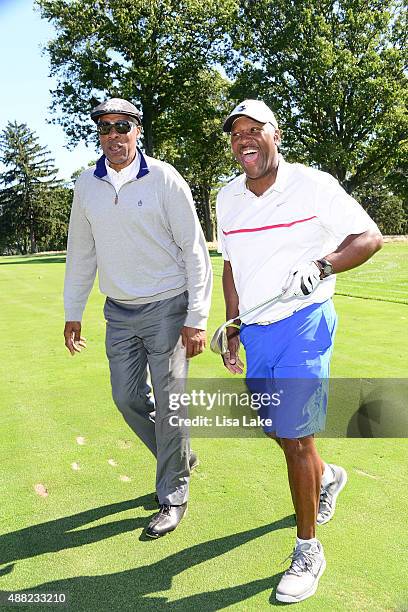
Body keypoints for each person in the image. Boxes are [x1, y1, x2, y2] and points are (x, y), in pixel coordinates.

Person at [216, 99, 383, 603]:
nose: (244, 138)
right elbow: (231, 266)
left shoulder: (313, 185)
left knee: (295, 436)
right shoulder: (227, 198)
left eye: (254, 129)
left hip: (305, 324)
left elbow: (369, 237)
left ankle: (308, 549)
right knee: (276, 429)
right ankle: (328, 476)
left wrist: (324, 265)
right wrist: (233, 323)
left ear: (276, 134)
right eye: (236, 132)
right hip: (258, 328)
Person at [64, 98, 212, 538]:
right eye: (105, 127)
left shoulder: (165, 178)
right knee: (127, 399)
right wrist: (73, 311)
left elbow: (193, 249)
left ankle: (173, 494)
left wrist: (198, 316)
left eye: (122, 126)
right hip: (119, 312)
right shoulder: (86, 185)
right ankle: (179, 456)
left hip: (168, 306)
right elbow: (81, 252)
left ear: (138, 130)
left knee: (170, 405)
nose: (114, 134)